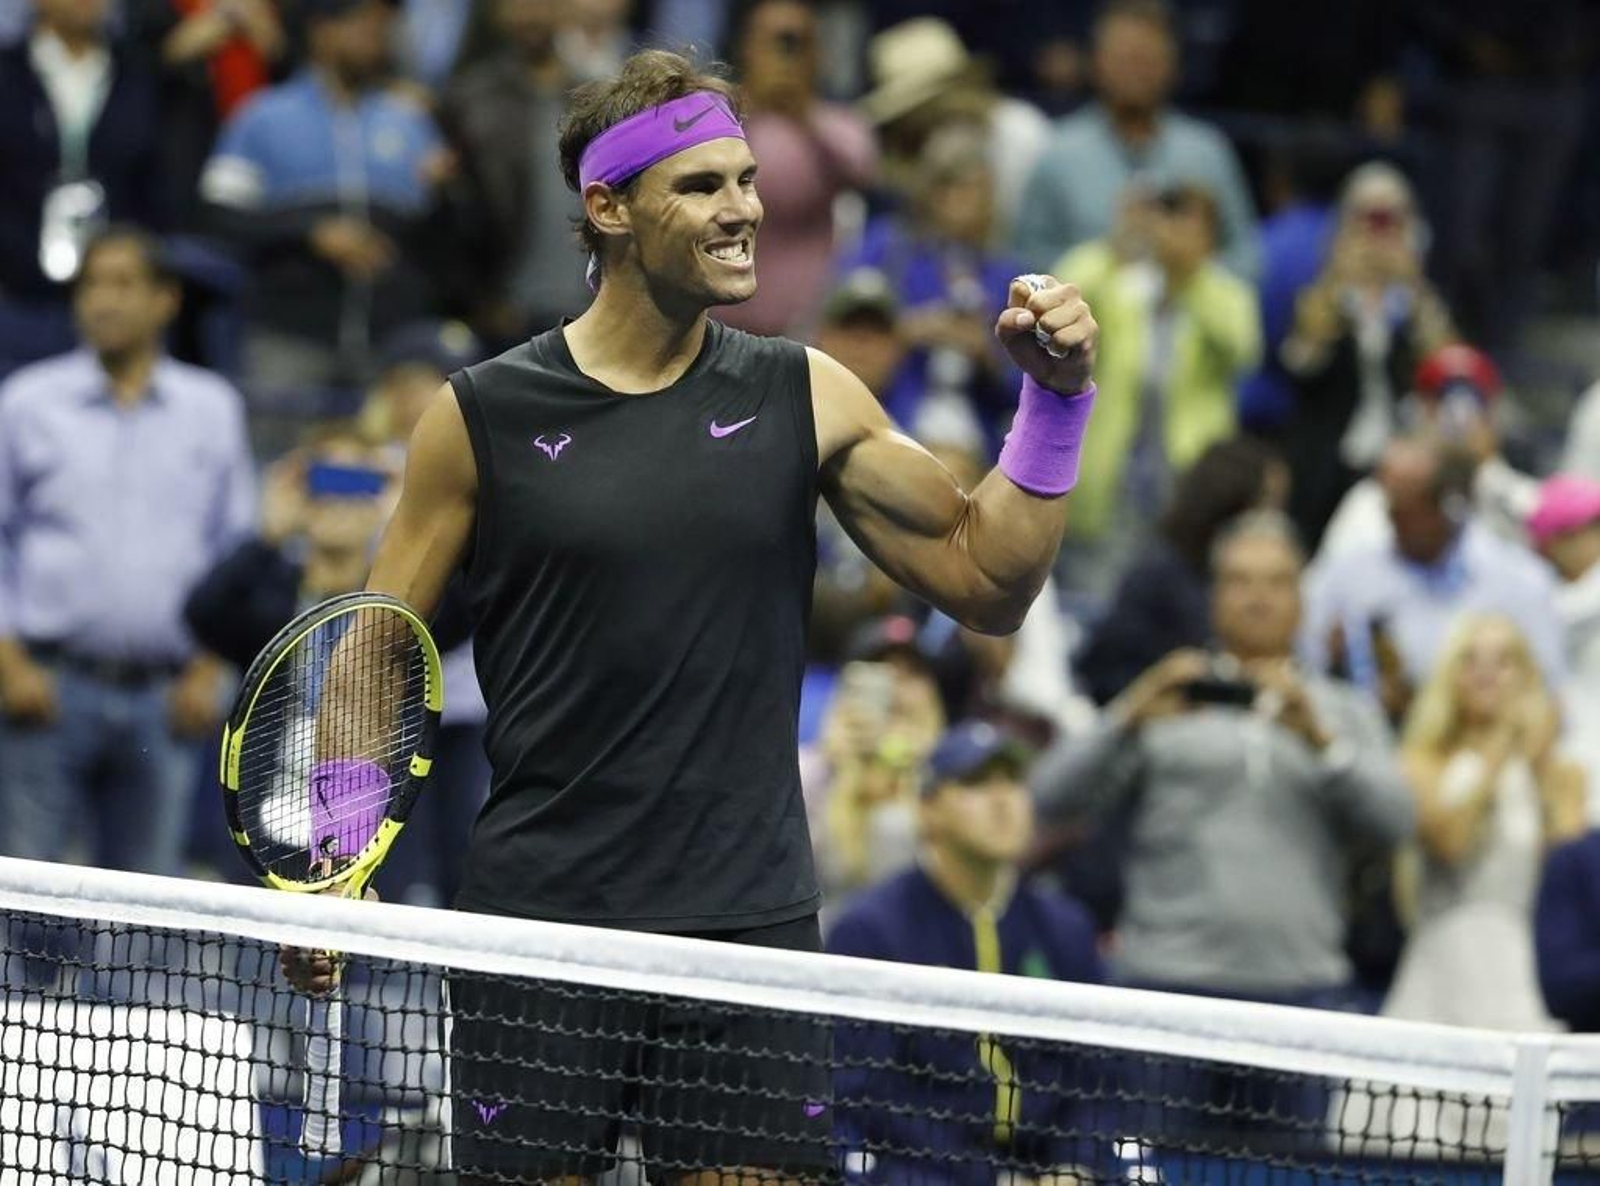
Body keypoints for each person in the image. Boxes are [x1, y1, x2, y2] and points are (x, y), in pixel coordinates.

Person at [282, 48, 1103, 1184]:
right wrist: (333, 861)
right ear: (608, 208)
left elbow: (988, 582)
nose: (744, 211)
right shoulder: (480, 415)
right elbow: (378, 648)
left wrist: (1054, 405)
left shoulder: (801, 391)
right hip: (542, 930)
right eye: (702, 187)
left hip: (746, 929)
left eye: (747, 180)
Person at [1033, 510, 1412, 1146]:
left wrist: (1323, 744)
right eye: (1239, 581)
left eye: (1275, 581)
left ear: (1301, 598)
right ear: (1213, 596)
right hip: (1165, 992)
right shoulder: (1168, 699)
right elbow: (1049, 798)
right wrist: (1128, 714)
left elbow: (1398, 821)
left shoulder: (1341, 712)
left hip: (1299, 996)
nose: (1257, 597)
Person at [0, 227, 255, 876]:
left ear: (165, 300)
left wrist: (209, 669)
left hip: (165, 697)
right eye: (91, 285)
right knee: (27, 906)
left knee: (145, 915)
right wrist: (6, 660)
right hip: (46, 685)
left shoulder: (212, 409)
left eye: (122, 284)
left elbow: (237, 554)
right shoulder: (27, 403)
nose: (103, 302)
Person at [826, 719, 1105, 1184]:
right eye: (976, 783)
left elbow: (1099, 1083)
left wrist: (1075, 1165)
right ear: (929, 810)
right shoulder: (870, 932)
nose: (1003, 801)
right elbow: (856, 1099)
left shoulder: (1066, 927)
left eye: (1013, 781)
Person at [199, 0, 451, 397]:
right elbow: (219, 213)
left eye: (383, 28)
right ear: (323, 32)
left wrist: (448, 190)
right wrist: (310, 232)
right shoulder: (262, 115)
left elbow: (440, 238)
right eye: (364, 26)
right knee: (279, 456)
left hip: (389, 343)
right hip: (288, 337)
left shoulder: (409, 120)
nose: (377, 39)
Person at [1049, 179, 1260, 601]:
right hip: (1116, 475)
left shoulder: (1224, 292)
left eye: (1187, 224)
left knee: (1183, 594)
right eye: (1167, 219)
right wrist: (1117, 244)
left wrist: (1188, 278)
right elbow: (1063, 294)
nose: (1173, 233)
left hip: (1187, 481)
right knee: (1093, 594)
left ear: (1209, 236)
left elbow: (1242, 349)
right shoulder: (1124, 285)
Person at [1382, 613, 1584, 1031]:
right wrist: (1502, 747)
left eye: (1503, 660)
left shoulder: (1561, 775)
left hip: (1525, 977)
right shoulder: (1421, 761)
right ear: (1450, 675)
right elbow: (1449, 842)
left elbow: (1568, 883)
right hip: (1438, 976)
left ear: (1526, 675)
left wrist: (1538, 766)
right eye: (1470, 660)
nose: (1486, 673)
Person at [1302, 435, 1565, 711]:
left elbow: (1549, 693)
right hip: (1370, 740)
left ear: (1452, 505)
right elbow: (1309, 664)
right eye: (1390, 508)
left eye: (1406, 510)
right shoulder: (1348, 575)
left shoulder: (1519, 581)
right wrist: (1337, 667)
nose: (1393, 520)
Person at [1011, 0, 1259, 279]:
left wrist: (1194, 267)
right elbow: (1023, 261)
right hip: (1087, 317)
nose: (1135, 72)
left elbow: (1247, 260)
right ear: (1096, 62)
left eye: (1146, 59)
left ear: (1173, 65)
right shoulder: (1058, 154)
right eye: (1124, 58)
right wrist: (1104, 260)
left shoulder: (1208, 152)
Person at [1279, 163, 1457, 551]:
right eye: (1367, 218)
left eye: (1390, 219)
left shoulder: (1418, 304)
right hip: (1329, 463)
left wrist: (1414, 288)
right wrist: (1336, 285)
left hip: (1401, 462)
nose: (1378, 234)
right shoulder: (1321, 297)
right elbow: (1300, 365)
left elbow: (1447, 373)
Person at [835, 122, 1027, 455]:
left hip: (979, 436)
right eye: (954, 188)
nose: (965, 203)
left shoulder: (1006, 275)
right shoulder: (888, 250)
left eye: (978, 190)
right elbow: (836, 333)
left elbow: (1029, 390)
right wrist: (906, 331)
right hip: (893, 417)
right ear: (932, 192)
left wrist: (987, 353)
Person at [0, 0, 166, 377]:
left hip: (115, 298)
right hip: (16, 296)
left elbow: (154, 181)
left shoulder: (135, 72)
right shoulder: (7, 73)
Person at [1075, 434, 1287, 706]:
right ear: (1235, 497)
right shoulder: (1161, 575)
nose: (1274, 518)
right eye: (1268, 502)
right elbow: (1103, 674)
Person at [711, 0, 876, 338]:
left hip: (804, 330)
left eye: (796, 43)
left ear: (816, 53)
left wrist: (802, 112)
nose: (784, 57)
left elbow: (862, 170)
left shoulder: (836, 124)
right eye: (772, 42)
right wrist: (748, 104)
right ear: (747, 47)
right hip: (718, 321)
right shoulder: (718, 115)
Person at [438, 0, 591, 347]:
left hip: (588, 308)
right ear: (497, 12)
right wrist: (479, 300)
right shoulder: (468, 100)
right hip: (506, 313)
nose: (533, 13)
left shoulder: (594, 98)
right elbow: (452, 217)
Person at [1315, 343, 1539, 563]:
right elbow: (1331, 583)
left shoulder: (1520, 497)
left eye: (1473, 406)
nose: (1458, 424)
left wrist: (1487, 473)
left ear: (1492, 414)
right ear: (1420, 413)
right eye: (1441, 406)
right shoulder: (1372, 502)